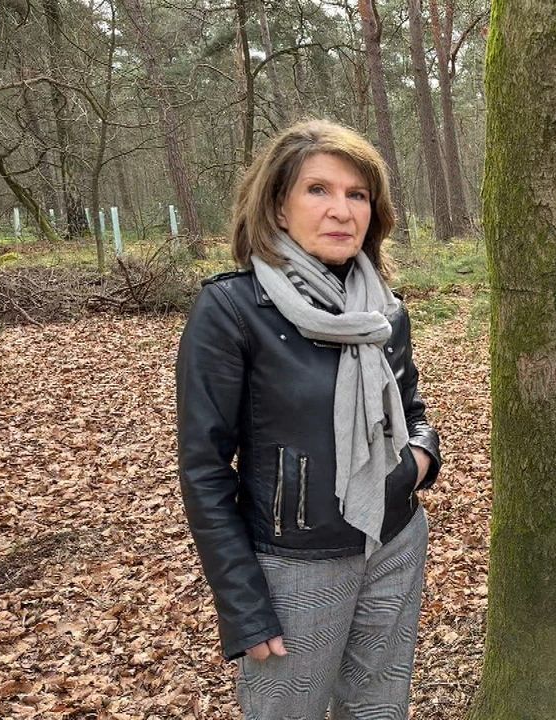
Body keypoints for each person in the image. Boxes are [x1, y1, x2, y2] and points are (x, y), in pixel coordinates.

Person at [176, 120, 441, 718]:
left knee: (377, 708)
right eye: (317, 190)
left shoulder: (383, 311)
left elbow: (413, 414)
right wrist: (243, 603)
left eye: (357, 194)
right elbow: (203, 469)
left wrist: (418, 462)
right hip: (292, 564)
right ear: (276, 205)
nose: (340, 210)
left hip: (392, 542)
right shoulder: (233, 310)